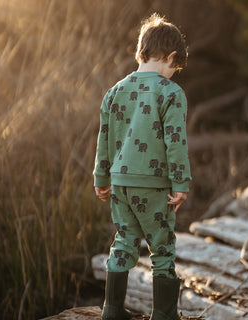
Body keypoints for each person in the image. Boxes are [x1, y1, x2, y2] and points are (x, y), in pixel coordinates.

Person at [93, 13, 191, 320]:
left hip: (120, 183)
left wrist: (101, 177)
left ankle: (112, 310)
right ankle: (163, 314)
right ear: (171, 57)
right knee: (162, 248)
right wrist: (180, 183)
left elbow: (104, 138)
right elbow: (175, 141)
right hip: (154, 186)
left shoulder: (114, 92)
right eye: (175, 68)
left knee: (123, 242)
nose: (173, 74)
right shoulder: (171, 93)